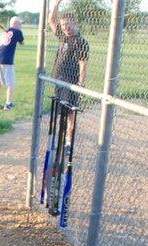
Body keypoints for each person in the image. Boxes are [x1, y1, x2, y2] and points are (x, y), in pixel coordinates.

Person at [48, 0, 88, 143]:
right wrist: (56, 4)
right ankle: (62, 138)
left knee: (70, 113)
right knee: (62, 112)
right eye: (63, 24)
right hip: (59, 80)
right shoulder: (63, 37)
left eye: (68, 24)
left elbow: (83, 63)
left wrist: (81, 83)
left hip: (70, 81)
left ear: (75, 24)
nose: (65, 27)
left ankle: (68, 141)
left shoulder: (80, 41)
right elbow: (51, 20)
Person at [0, 16, 24, 110]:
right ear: (15, 24)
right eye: (20, 23)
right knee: (11, 83)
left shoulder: (3, 33)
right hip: (8, 61)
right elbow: (22, 42)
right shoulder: (17, 32)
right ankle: (8, 104)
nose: (21, 25)